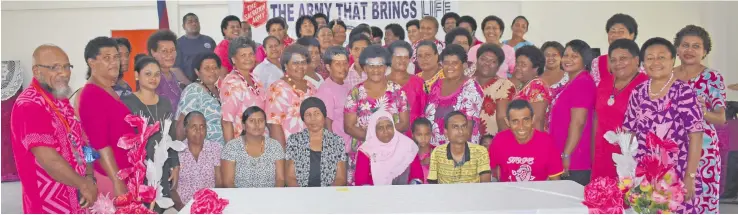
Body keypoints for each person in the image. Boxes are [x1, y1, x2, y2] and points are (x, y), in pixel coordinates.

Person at [11, 45, 98, 213]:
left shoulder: (61, 99)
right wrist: (84, 184)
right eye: (55, 67)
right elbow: (49, 159)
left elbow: (84, 142)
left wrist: (89, 176)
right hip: (50, 204)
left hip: (80, 196)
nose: (64, 73)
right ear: (37, 71)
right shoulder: (29, 104)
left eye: (67, 66)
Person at [623, 37, 704, 214]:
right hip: (644, 173)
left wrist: (690, 177)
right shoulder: (638, 92)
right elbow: (629, 132)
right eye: (650, 58)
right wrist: (626, 171)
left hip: (677, 171)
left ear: (672, 60)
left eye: (661, 57)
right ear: (643, 62)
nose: (656, 62)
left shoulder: (684, 92)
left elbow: (696, 136)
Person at [673, 25, 726, 214]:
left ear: (704, 51)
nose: (690, 50)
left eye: (696, 46)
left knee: (701, 205)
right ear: (677, 49)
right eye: (685, 45)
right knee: (671, 203)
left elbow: (721, 118)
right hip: (672, 151)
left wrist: (701, 112)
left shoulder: (712, 77)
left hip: (704, 156)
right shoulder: (667, 76)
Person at [121, 55, 179, 213]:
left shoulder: (165, 102)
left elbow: (171, 136)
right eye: (148, 74)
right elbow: (123, 139)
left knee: (161, 206)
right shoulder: (127, 102)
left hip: (162, 166)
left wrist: (174, 163)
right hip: (138, 169)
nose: (153, 78)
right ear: (136, 75)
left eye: (157, 74)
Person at [78, 37, 136, 198]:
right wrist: (117, 180)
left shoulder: (107, 89)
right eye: (107, 58)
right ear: (91, 62)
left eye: (116, 57)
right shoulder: (92, 94)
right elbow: (99, 144)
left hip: (123, 174)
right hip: (110, 177)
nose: (114, 62)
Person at [344, 45, 410, 184]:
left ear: (386, 67)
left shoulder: (397, 90)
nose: (376, 70)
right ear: (364, 67)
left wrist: (384, 141)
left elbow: (404, 123)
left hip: (392, 153)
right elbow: (349, 127)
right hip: (364, 155)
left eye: (380, 65)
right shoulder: (355, 93)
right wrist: (374, 141)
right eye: (371, 65)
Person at [591, 39, 648, 180]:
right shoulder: (604, 83)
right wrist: (593, 151)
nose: (617, 63)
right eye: (613, 60)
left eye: (623, 58)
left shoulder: (646, 85)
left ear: (636, 60)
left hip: (631, 157)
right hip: (602, 154)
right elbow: (596, 118)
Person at [549, 39, 596, 186]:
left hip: (576, 159)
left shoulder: (583, 82)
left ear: (585, 59)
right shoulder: (572, 82)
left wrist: (567, 154)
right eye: (566, 55)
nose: (568, 59)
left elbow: (578, 122)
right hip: (565, 155)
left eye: (574, 56)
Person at [490, 100, 564, 182]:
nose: (521, 126)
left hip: (539, 192)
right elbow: (491, 170)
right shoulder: (499, 141)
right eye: (515, 121)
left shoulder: (547, 142)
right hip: (508, 192)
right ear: (507, 122)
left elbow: (555, 181)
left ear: (533, 119)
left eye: (526, 120)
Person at [425, 44, 483, 146]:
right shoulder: (437, 84)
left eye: (455, 63)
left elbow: (468, 128)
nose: (450, 67)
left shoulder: (471, 88)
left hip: (458, 149)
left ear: (464, 65)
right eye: (446, 63)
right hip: (434, 148)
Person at [285, 97, 348, 187]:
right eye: (308, 115)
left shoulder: (337, 141)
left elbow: (340, 178)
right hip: (300, 194)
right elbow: (290, 177)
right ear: (303, 118)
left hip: (329, 195)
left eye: (317, 114)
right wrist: (302, 196)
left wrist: (326, 196)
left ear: (324, 115)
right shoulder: (294, 140)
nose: (313, 119)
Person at [221, 106, 286, 188]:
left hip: (270, 197)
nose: (257, 124)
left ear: (265, 124)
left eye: (261, 121)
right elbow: (228, 182)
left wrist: (272, 198)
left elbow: (280, 179)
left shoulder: (275, 146)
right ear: (244, 125)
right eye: (252, 121)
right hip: (240, 198)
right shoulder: (232, 147)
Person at [354, 110, 424, 185]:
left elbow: (417, 176)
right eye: (380, 128)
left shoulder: (408, 146)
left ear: (393, 127)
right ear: (374, 131)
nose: (385, 131)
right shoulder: (366, 150)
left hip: (405, 194)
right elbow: (361, 182)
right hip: (375, 195)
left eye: (389, 126)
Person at [267, 44, 317, 147]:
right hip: (290, 150)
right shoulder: (278, 88)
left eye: (303, 62)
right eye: (295, 63)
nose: (300, 66)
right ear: (285, 65)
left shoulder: (311, 86)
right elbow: (274, 125)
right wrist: (283, 157)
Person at [220, 37, 265, 143]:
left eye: (251, 54)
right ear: (234, 59)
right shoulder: (231, 83)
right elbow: (227, 122)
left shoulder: (255, 78)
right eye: (243, 55)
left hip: (259, 140)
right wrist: (231, 154)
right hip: (241, 144)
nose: (248, 58)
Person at [173, 111, 222, 210]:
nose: (198, 130)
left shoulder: (215, 148)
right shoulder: (176, 152)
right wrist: (183, 208)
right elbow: (172, 188)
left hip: (209, 206)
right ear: (185, 130)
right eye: (193, 127)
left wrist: (212, 205)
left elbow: (219, 182)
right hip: (183, 207)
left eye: (202, 127)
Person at [427, 111, 492, 184]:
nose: (461, 131)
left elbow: (485, 185)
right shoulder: (437, 152)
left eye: (464, 126)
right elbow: (432, 185)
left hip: (473, 194)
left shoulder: (480, 151)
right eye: (455, 127)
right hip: (445, 195)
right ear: (446, 132)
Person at [176, 53, 224, 145]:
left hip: (221, 150)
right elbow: (181, 124)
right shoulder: (194, 90)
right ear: (197, 72)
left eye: (215, 68)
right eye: (207, 68)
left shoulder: (220, 90)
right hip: (202, 152)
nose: (212, 71)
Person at [387, 41, 426, 138]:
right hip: (387, 138)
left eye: (406, 57)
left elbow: (425, 112)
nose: (403, 60)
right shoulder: (381, 83)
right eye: (399, 57)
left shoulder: (419, 82)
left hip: (413, 138)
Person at [315, 46, 352, 148]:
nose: (343, 68)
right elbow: (326, 124)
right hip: (338, 148)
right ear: (328, 67)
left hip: (350, 145)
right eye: (337, 64)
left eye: (345, 63)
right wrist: (333, 150)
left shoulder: (347, 85)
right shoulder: (326, 90)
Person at [475, 44, 515, 136]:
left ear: (498, 66)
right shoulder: (467, 83)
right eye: (483, 59)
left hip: (492, 142)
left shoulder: (504, 85)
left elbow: (502, 118)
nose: (487, 63)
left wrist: (503, 144)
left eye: (493, 61)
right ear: (477, 61)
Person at [590, 13, 640, 87]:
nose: (616, 35)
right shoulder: (597, 62)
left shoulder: (643, 60)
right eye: (612, 31)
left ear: (632, 35)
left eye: (621, 32)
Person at [148, 29, 189, 114]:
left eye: (172, 50)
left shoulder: (173, 75)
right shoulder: (151, 78)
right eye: (164, 51)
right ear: (153, 52)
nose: (170, 55)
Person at [511, 45, 551, 131]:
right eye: (517, 63)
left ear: (536, 68)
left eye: (523, 65)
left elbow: (537, 120)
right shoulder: (523, 86)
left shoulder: (537, 85)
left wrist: (536, 144)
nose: (518, 67)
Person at [176, 13, 217, 82]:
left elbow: (217, 63)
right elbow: (175, 68)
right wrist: (190, 85)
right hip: (187, 86)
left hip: (209, 84)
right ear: (183, 26)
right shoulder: (178, 43)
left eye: (196, 21)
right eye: (190, 22)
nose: (194, 23)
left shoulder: (209, 41)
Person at [411, 117, 433, 183]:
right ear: (413, 135)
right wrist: (421, 163)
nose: (423, 138)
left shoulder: (437, 151)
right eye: (419, 135)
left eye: (427, 134)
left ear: (431, 134)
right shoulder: (410, 155)